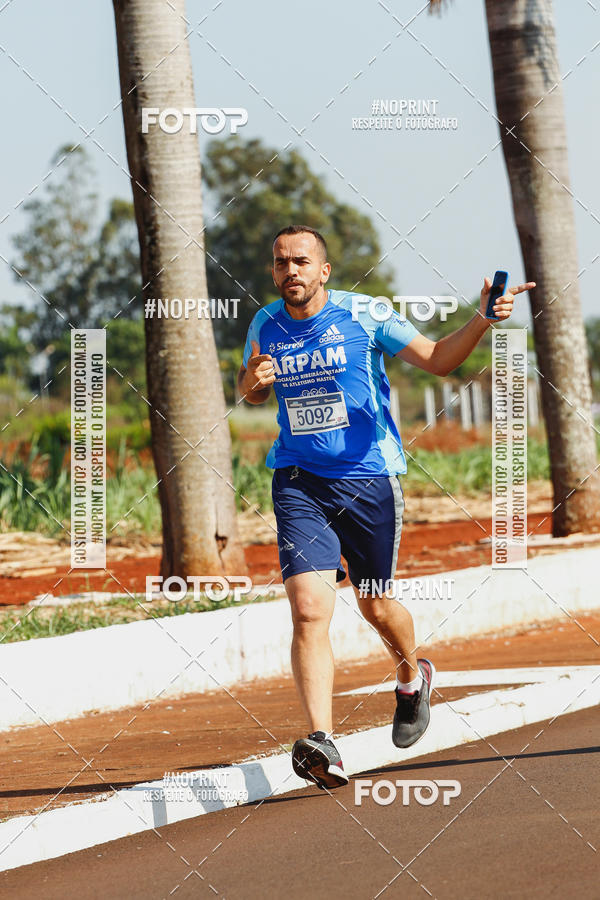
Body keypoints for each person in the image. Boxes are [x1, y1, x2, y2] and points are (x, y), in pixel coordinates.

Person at [237, 225, 533, 790]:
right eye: (280, 263)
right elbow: (251, 388)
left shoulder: (366, 315)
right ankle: (322, 740)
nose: (290, 272)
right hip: (297, 480)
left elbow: (439, 360)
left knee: (375, 604)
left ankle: (411, 675)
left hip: (368, 479)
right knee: (307, 610)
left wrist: (482, 320)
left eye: (301, 261)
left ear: (324, 270)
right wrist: (250, 383)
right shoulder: (263, 323)